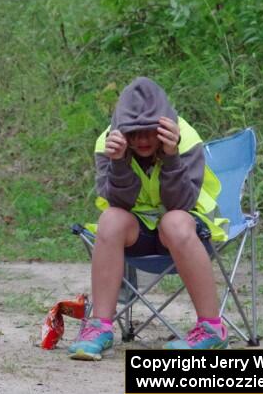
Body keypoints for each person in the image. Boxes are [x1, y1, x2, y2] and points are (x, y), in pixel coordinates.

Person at [69, 77, 228, 360]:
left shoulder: (186, 138)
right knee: (110, 220)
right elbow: (119, 202)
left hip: (187, 233)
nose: (142, 140)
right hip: (136, 231)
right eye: (134, 133)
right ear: (121, 129)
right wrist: (118, 162)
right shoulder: (108, 142)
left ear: (165, 126)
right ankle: (99, 326)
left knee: (174, 221)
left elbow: (182, 202)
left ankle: (211, 328)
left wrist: (171, 156)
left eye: (150, 131)